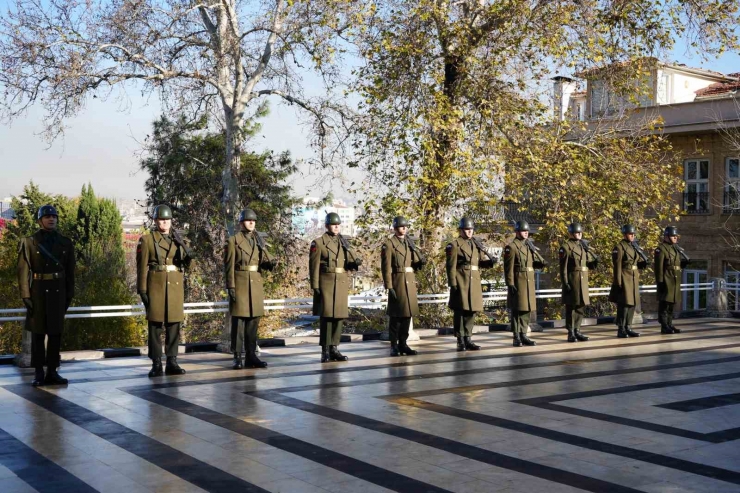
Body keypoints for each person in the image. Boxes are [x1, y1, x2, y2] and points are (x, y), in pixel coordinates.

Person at [17, 205, 75, 386]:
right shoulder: (29, 242)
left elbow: (70, 272)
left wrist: (69, 294)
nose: (52, 219)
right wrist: (26, 295)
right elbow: (23, 271)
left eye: (54, 217)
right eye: (48, 216)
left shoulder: (65, 243)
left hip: (58, 291)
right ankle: (38, 372)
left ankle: (52, 371)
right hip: (38, 292)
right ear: (40, 220)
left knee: (55, 333)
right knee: (38, 334)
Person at [137, 205, 195, 377]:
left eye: (167, 219)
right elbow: (142, 267)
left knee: (174, 325)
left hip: (175, 285)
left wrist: (187, 251)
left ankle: (172, 361)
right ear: (155, 221)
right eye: (162, 219)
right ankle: (156, 363)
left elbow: (189, 265)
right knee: (155, 326)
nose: (165, 222)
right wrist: (142, 290)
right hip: (156, 285)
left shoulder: (179, 239)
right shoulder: (147, 240)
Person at [225, 208, 276, 369]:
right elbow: (229, 266)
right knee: (239, 322)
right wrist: (230, 286)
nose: (252, 223)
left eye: (253, 221)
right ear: (241, 223)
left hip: (255, 283)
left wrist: (270, 263)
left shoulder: (259, 241)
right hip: (240, 282)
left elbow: (261, 262)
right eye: (248, 220)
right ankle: (237, 356)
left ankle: (251, 355)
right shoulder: (233, 240)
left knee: (253, 322)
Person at [309, 212, 362, 362]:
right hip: (326, 282)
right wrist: (315, 285)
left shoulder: (344, 243)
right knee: (326, 318)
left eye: (338, 225)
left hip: (341, 282)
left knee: (339, 317)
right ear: (327, 226)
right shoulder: (318, 243)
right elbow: (313, 266)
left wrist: (354, 263)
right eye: (333, 224)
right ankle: (325, 350)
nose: (336, 227)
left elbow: (348, 263)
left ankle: (334, 348)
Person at [446, 217, 497, 351]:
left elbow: (478, 263)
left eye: (471, 229)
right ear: (461, 230)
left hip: (474, 280)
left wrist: (490, 263)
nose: (469, 232)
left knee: (471, 311)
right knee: (460, 311)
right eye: (466, 229)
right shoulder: (455, 245)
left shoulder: (475, 244)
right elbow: (450, 266)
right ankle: (460, 339)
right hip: (461, 279)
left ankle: (468, 338)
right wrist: (453, 283)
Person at [381, 216, 426, 356]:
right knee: (396, 317)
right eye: (401, 226)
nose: (404, 228)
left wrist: (419, 261)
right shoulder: (389, 244)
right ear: (395, 228)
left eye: (406, 226)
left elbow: (413, 262)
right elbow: (386, 267)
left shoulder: (409, 243)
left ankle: (403, 344)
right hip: (397, 281)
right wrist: (389, 286)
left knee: (407, 316)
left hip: (409, 281)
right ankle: (394, 345)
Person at [504, 221, 546, 347]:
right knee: (517, 310)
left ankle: (523, 334)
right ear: (517, 232)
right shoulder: (511, 247)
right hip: (518, 281)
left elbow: (532, 263)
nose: (526, 232)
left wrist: (539, 262)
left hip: (529, 281)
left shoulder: (528, 246)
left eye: (527, 230)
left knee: (527, 309)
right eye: (523, 231)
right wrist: (510, 283)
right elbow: (508, 268)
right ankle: (516, 336)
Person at [558, 222, 599, 342]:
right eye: (577, 232)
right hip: (572, 280)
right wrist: (565, 283)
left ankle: (577, 330)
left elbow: (588, 264)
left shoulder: (583, 246)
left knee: (580, 306)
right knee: (571, 308)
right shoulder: (565, 247)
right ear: (571, 234)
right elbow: (563, 268)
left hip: (583, 280)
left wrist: (595, 261)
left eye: (580, 232)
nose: (579, 234)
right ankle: (571, 332)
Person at [609, 225, 647, 338]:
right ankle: (621, 328)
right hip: (624, 278)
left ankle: (628, 327)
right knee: (624, 305)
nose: (633, 236)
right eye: (631, 234)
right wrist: (618, 282)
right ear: (625, 234)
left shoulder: (634, 246)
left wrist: (642, 264)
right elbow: (617, 266)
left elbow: (635, 262)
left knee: (632, 304)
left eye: (634, 234)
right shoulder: (619, 247)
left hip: (634, 278)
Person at [655, 225, 689, 334]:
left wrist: (683, 264)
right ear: (666, 237)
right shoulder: (661, 249)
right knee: (664, 305)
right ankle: (664, 326)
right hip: (666, 279)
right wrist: (660, 282)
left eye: (676, 236)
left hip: (675, 280)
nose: (676, 238)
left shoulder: (675, 249)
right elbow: (658, 268)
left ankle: (669, 324)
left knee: (671, 306)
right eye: (673, 236)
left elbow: (676, 264)